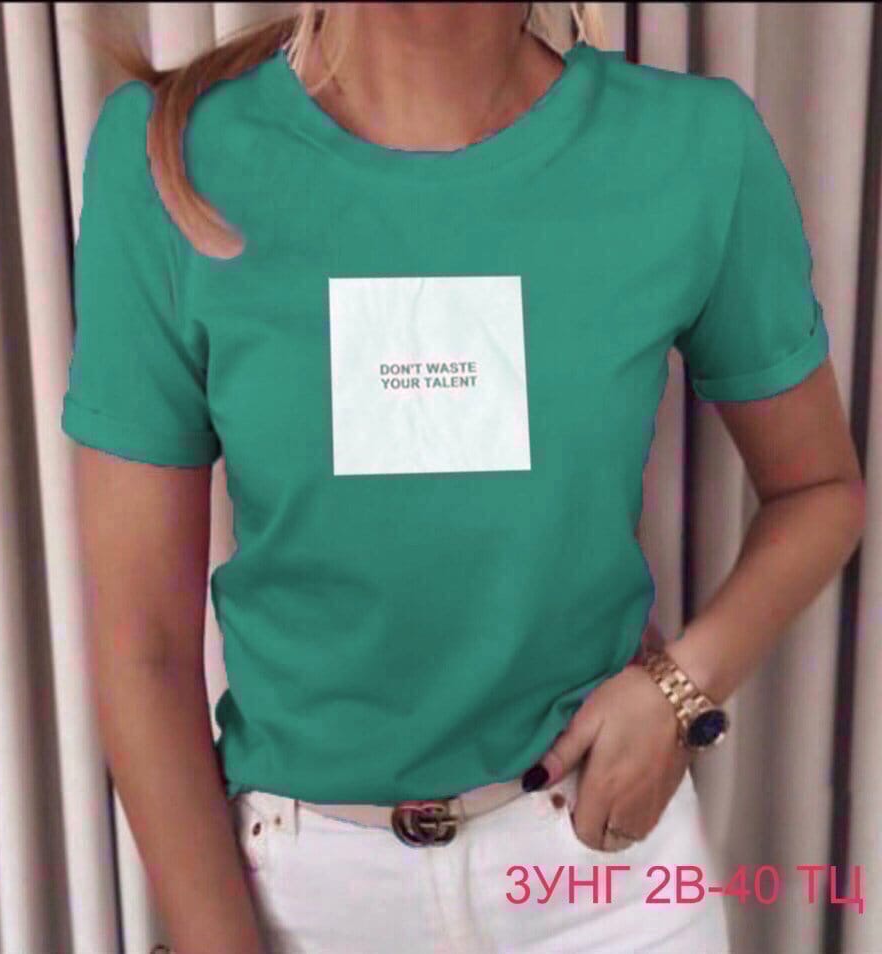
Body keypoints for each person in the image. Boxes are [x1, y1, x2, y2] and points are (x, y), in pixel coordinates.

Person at [63, 3, 865, 952]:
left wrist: (680, 690)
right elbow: (142, 646)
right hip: (300, 902)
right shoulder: (170, 158)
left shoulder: (689, 148)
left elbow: (820, 490)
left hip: (603, 880)